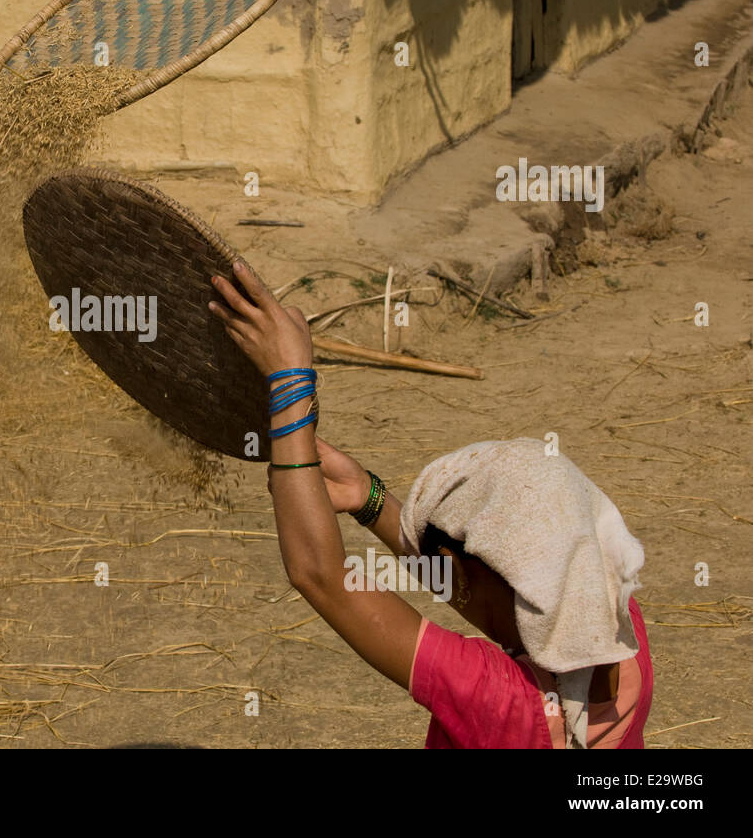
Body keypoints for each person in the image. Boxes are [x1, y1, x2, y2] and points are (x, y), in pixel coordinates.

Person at [209, 261, 652, 748]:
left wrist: (288, 383)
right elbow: (496, 591)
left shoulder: (501, 702)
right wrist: (367, 498)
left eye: (451, 565)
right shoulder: (623, 639)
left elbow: (319, 574)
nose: (445, 577)